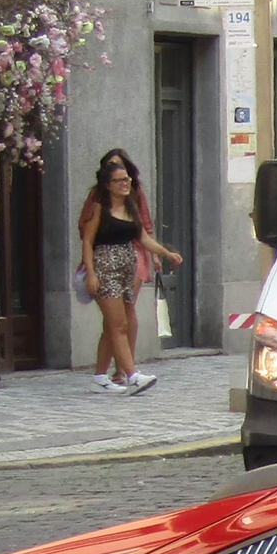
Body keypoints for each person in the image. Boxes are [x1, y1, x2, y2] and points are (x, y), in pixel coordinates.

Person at [77, 149, 182, 392]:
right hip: (106, 269)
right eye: (119, 181)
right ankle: (132, 375)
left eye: (127, 179)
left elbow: (143, 238)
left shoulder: (131, 207)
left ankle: (99, 377)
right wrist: (91, 273)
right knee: (119, 324)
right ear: (108, 185)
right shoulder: (98, 209)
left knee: (115, 325)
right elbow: (87, 241)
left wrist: (165, 253)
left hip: (127, 269)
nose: (125, 184)